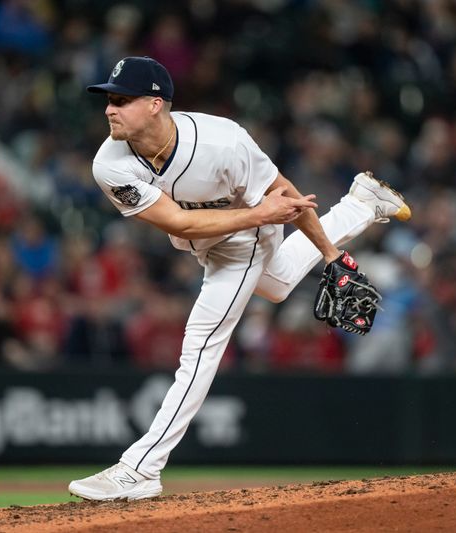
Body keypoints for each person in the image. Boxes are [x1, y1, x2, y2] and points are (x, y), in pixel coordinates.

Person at [68, 56, 410, 500]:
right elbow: (180, 224)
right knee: (278, 283)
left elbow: (283, 192)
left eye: (121, 100)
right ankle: (362, 203)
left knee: (201, 346)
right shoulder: (109, 164)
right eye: (108, 100)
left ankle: (139, 469)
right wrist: (268, 217)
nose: (109, 109)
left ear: (156, 104)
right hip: (215, 234)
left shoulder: (222, 141)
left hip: (248, 235)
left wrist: (328, 253)